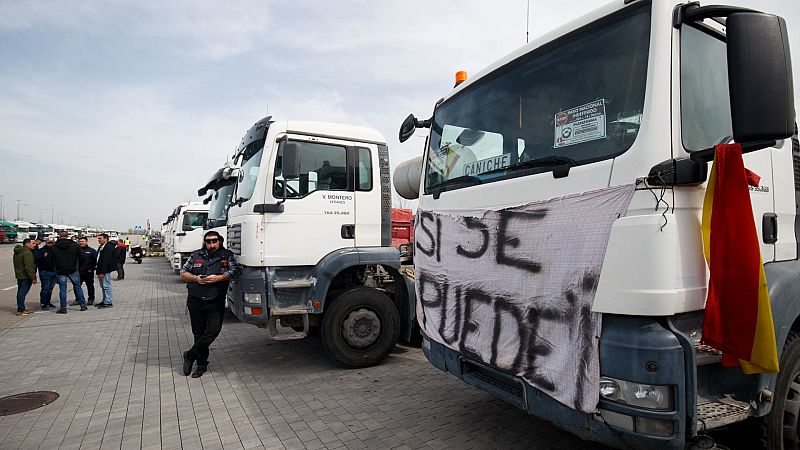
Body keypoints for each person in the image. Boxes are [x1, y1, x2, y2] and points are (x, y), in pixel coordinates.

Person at [179, 230, 240, 378]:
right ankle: (201, 365)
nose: (211, 244)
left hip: (215, 301)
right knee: (198, 333)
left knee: (213, 331)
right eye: (208, 242)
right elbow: (183, 273)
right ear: (205, 243)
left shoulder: (227, 255)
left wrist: (219, 278)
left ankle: (189, 355)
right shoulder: (195, 255)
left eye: (214, 241)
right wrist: (196, 278)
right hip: (195, 300)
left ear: (220, 241)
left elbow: (235, 271)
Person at [52, 231, 87, 313]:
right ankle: (82, 305)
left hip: (60, 270)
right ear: (67, 236)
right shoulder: (75, 245)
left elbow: (49, 259)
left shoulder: (54, 247)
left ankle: (63, 308)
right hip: (73, 269)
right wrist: (78, 265)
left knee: (62, 289)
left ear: (59, 236)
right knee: (77, 287)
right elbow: (83, 256)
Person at [12, 238, 38, 315]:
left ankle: (20, 308)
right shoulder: (27, 253)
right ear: (27, 244)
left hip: (19, 275)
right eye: (33, 243)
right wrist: (33, 278)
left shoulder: (17, 252)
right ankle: (20, 309)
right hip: (26, 276)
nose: (35, 245)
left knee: (20, 292)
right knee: (22, 293)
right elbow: (29, 267)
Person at [72, 237, 97, 305]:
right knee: (76, 286)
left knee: (90, 286)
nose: (81, 243)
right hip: (77, 272)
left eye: (83, 241)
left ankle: (91, 299)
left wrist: (91, 269)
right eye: (80, 241)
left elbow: (95, 261)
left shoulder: (92, 251)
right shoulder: (75, 250)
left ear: (86, 241)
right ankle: (77, 299)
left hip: (88, 272)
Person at [34, 238, 58, 310]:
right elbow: (36, 259)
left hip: (54, 272)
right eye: (49, 242)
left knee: (50, 289)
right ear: (46, 243)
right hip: (45, 272)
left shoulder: (56, 250)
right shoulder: (41, 250)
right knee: (45, 288)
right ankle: (43, 303)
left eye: (52, 242)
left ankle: (48, 302)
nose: (50, 244)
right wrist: (43, 256)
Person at [95, 233, 117, 308]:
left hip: (105, 270)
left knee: (106, 286)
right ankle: (104, 300)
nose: (98, 240)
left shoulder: (108, 247)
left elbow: (106, 261)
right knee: (103, 286)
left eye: (100, 238)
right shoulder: (102, 246)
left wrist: (102, 272)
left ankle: (108, 302)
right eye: (98, 238)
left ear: (105, 239)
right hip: (100, 269)